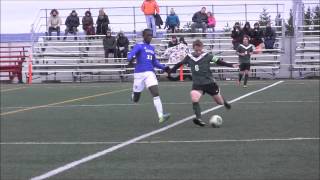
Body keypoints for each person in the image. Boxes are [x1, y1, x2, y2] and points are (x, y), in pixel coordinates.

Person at [168, 39, 237, 127]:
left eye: (199, 50)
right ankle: (199, 119)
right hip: (197, 84)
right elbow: (180, 64)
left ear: (202, 48)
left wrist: (231, 65)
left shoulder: (207, 56)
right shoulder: (189, 56)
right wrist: (171, 71)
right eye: (196, 50)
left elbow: (219, 61)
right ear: (193, 48)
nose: (198, 52)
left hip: (209, 83)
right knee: (194, 97)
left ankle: (223, 99)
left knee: (220, 102)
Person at [127, 29, 171, 123]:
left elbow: (154, 62)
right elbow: (130, 54)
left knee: (155, 93)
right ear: (144, 36)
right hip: (139, 74)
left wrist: (164, 68)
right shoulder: (139, 46)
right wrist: (130, 59)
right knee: (136, 99)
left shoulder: (151, 48)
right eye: (148, 35)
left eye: (151, 35)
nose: (150, 37)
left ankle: (161, 116)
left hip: (150, 73)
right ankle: (133, 95)